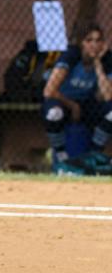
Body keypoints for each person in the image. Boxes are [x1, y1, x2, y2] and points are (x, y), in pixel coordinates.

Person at [42, 22, 112, 174]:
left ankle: (95, 151)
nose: (94, 44)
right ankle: (60, 154)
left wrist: (98, 64)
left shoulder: (106, 59)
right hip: (63, 100)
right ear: (81, 43)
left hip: (87, 104)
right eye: (89, 40)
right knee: (54, 113)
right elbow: (49, 91)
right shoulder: (71, 55)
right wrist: (72, 105)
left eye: (98, 40)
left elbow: (107, 97)